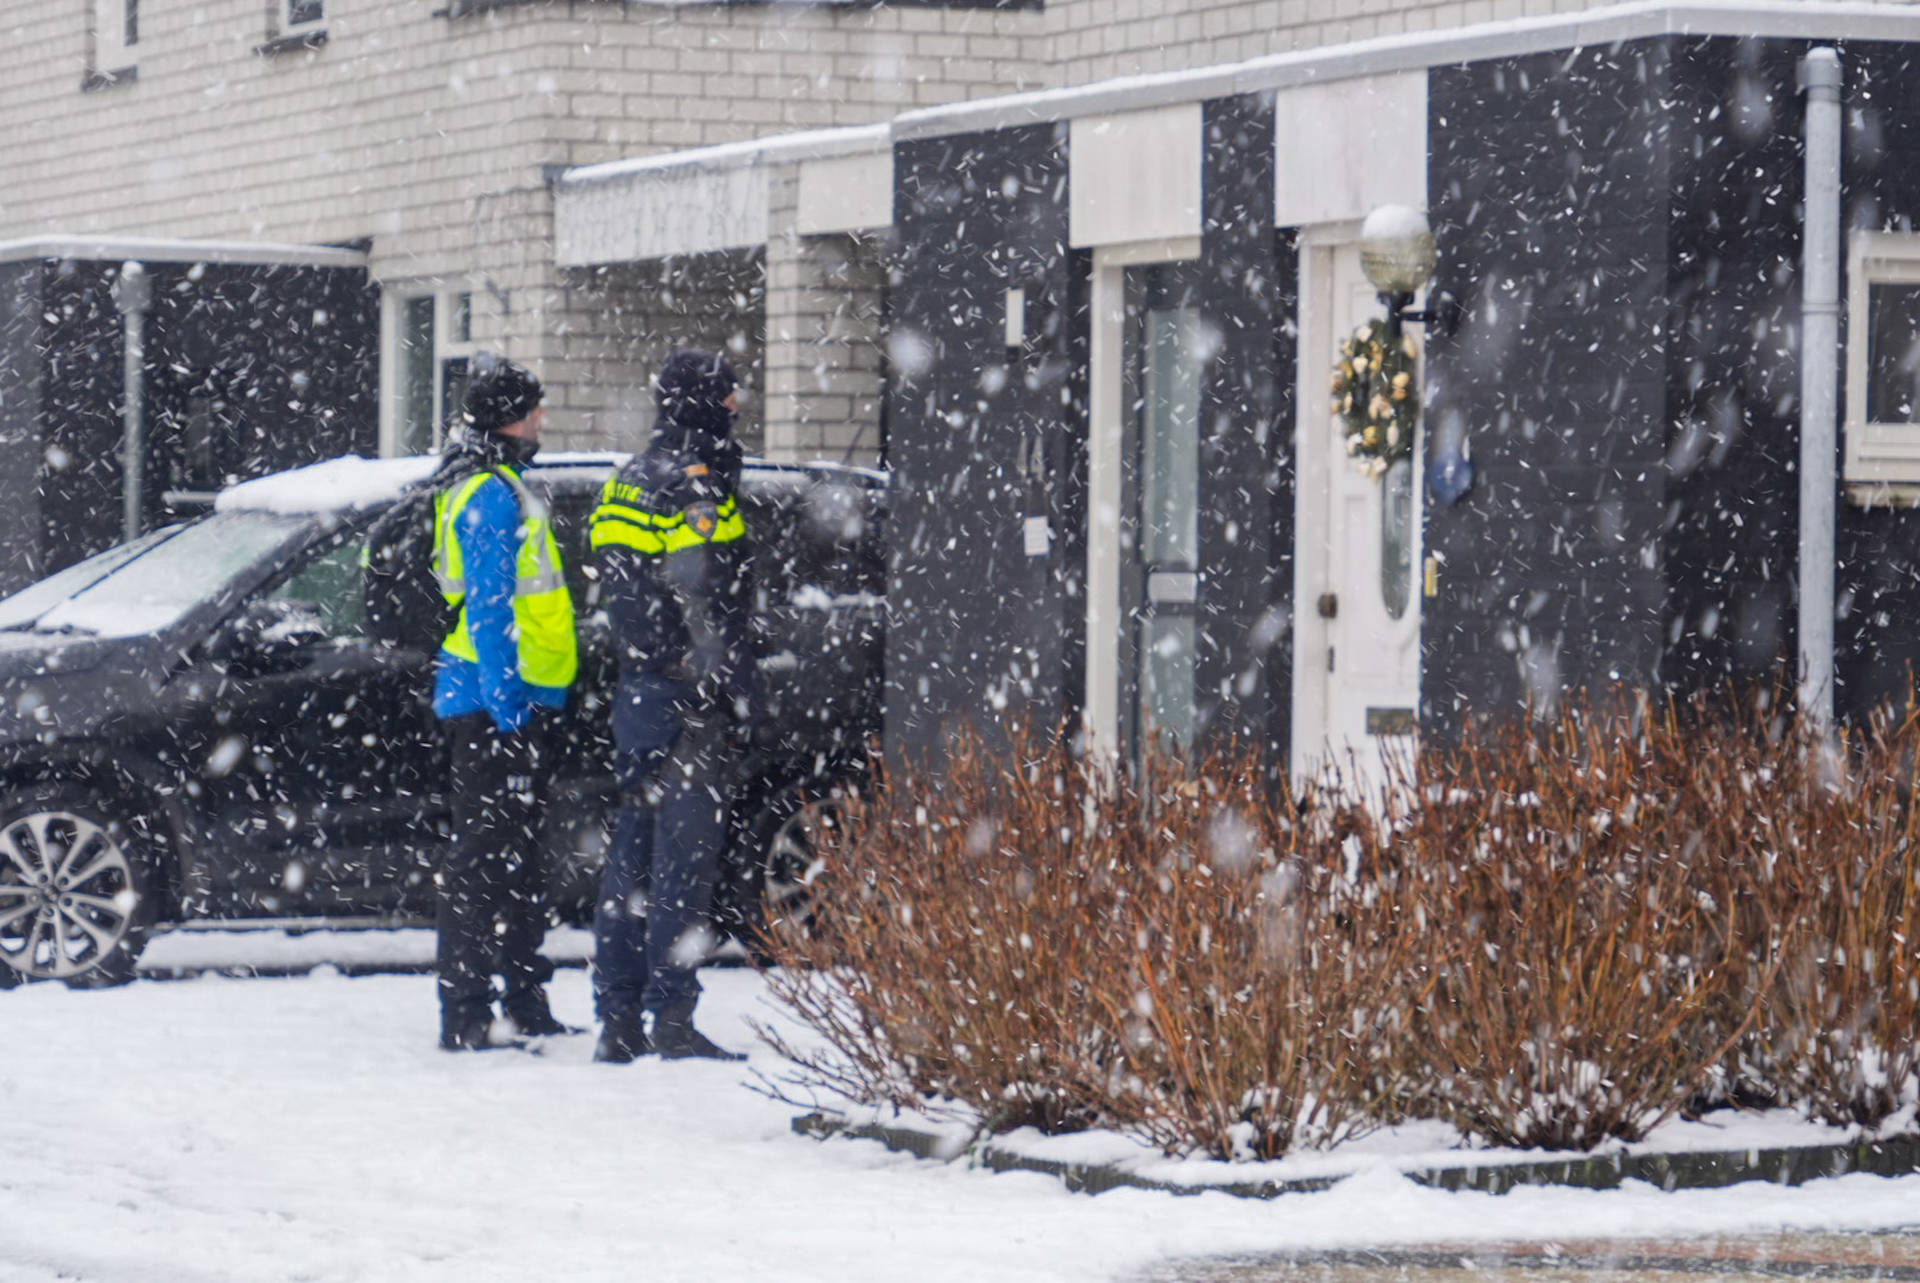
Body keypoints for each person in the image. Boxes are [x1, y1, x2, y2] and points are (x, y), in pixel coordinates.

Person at [589, 349, 760, 1063]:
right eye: (727, 396)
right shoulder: (693, 485)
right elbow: (706, 590)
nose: (736, 406)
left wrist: (653, 657)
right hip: (684, 694)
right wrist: (697, 668)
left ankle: (618, 1015)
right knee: (683, 862)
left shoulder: (627, 477)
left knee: (630, 858)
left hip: (641, 690)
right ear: (703, 401)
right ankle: (673, 1015)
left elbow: (619, 585)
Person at [430, 357, 580, 1051]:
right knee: (487, 859)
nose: (541, 421)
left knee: (517, 858)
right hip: (497, 704)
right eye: (534, 410)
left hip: (509, 698)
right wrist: (509, 702)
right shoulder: (490, 493)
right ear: (509, 418)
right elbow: (491, 609)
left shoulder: (486, 482)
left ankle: (522, 997)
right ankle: (467, 1010)